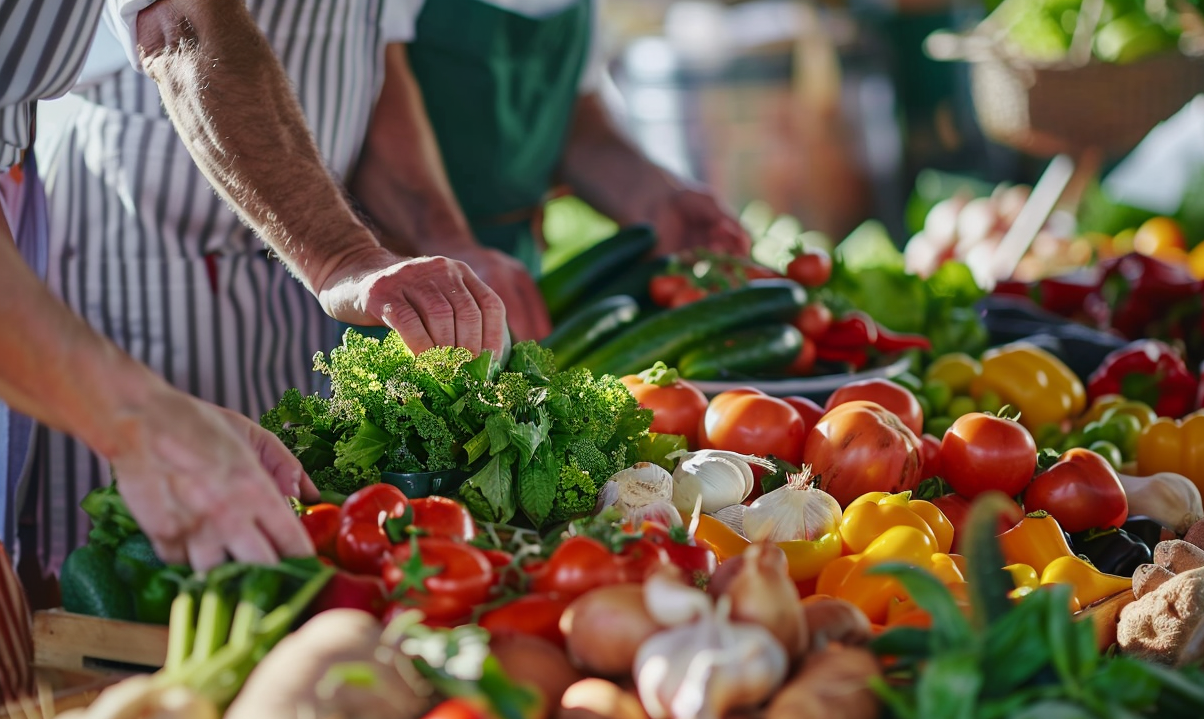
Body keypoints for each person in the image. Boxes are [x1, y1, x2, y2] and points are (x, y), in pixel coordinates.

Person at [2, 0, 506, 575]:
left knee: (286, 535)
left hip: (297, 264)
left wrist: (438, 236)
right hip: (152, 254)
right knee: (133, 562)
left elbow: (376, 57)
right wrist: (342, 253)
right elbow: (184, 26)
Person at [348, 0, 752, 342]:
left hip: (516, 270)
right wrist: (448, 245)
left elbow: (575, 117)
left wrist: (656, 198)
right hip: (393, 274)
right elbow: (369, 99)